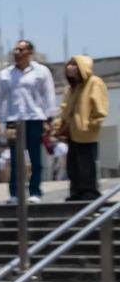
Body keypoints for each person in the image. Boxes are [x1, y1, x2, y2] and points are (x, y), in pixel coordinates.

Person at [0, 39, 59, 203]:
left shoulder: (41, 71)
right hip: (13, 120)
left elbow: (49, 95)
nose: (16, 53)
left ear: (30, 52)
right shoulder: (6, 74)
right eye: (15, 50)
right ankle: (15, 193)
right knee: (15, 158)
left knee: (35, 157)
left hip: (34, 119)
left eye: (21, 50)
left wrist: (49, 118)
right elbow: (0, 98)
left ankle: (35, 191)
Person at [58, 54, 109, 202]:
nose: (69, 67)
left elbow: (100, 107)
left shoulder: (94, 82)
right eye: (69, 64)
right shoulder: (72, 87)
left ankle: (90, 193)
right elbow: (66, 109)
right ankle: (76, 192)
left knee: (87, 165)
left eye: (74, 64)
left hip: (86, 132)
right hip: (73, 132)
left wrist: (91, 124)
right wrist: (60, 125)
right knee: (73, 165)